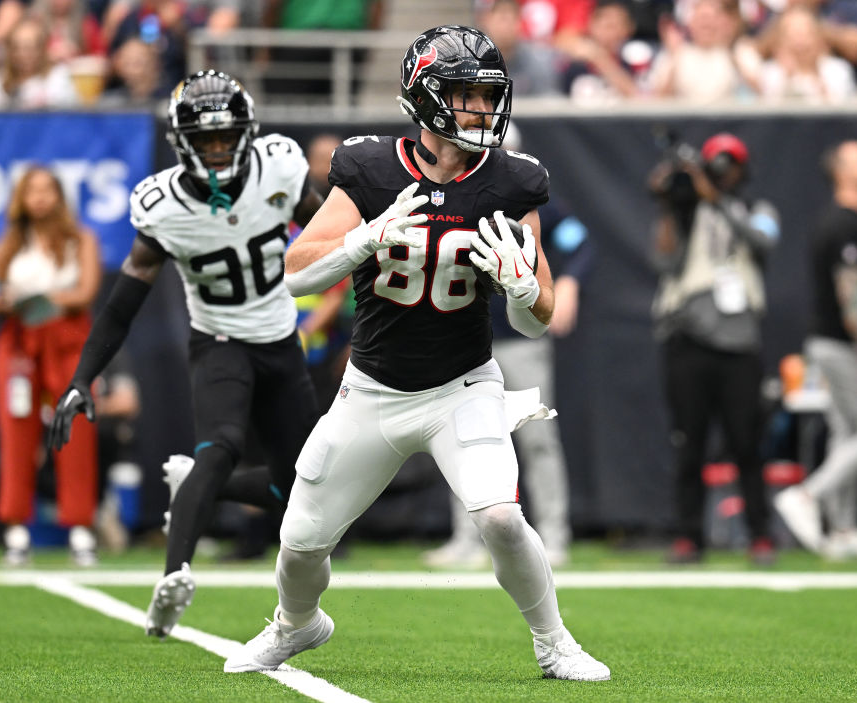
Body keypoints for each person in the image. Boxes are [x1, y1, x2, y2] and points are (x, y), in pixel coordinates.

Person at [224, 25, 610, 681]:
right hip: (371, 389)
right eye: (466, 96)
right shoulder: (370, 168)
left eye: (488, 97)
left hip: (462, 387)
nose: (482, 111)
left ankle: (554, 641)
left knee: (499, 515)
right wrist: (363, 240)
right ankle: (297, 624)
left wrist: (520, 290)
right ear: (426, 97)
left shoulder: (514, 181)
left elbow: (539, 317)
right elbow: (293, 272)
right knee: (300, 540)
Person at [48, 70, 323, 638]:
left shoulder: (280, 166)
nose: (219, 150)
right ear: (183, 142)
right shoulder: (164, 205)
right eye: (206, 140)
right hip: (219, 340)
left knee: (300, 488)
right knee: (219, 446)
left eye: (227, 137)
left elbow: (326, 235)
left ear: (246, 134)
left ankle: (194, 484)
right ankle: (173, 578)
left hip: (280, 339)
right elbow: (123, 304)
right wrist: (83, 377)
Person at [424, 125, 594, 569]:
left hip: (519, 340)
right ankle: (467, 539)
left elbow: (578, 242)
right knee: (458, 439)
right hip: (466, 339)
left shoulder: (532, 204)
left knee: (538, 439)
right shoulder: (450, 197)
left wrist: (569, 282)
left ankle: (555, 535)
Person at [648, 132, 779, 565]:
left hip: (739, 344)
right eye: (715, 164)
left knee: (747, 441)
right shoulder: (686, 212)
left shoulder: (758, 210)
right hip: (689, 342)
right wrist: (671, 201)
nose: (723, 173)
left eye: (730, 164)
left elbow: (763, 241)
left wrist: (715, 199)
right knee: (690, 442)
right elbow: (664, 263)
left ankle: (760, 534)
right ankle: (689, 535)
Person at [0, 165, 102, 567]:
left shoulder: (80, 239)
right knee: (17, 433)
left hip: (67, 339)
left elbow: (87, 291)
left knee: (75, 429)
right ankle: (15, 530)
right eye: (33, 190)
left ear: (60, 196)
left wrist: (46, 297)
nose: (41, 198)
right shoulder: (8, 245)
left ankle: (80, 530)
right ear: (21, 199)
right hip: (20, 343)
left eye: (49, 190)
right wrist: (6, 301)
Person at [774, 140, 857, 561]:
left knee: (847, 434)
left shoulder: (846, 223)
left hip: (830, 345)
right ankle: (806, 496)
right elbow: (852, 296)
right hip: (843, 346)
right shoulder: (845, 227)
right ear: (844, 171)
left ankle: (843, 530)